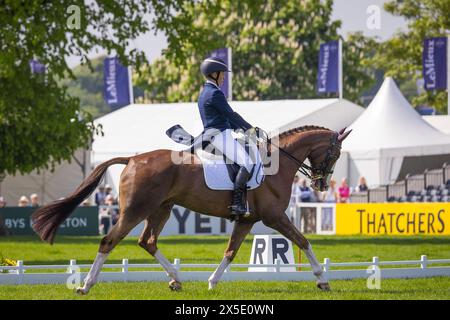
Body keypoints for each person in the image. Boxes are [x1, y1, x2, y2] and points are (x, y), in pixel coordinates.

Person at [198, 56, 257, 218]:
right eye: (222, 74)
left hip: (216, 133)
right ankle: (238, 204)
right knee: (248, 162)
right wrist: (250, 129)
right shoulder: (214, 93)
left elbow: (224, 119)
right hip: (219, 136)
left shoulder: (205, 92)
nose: (223, 77)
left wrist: (241, 129)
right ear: (214, 74)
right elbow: (231, 115)